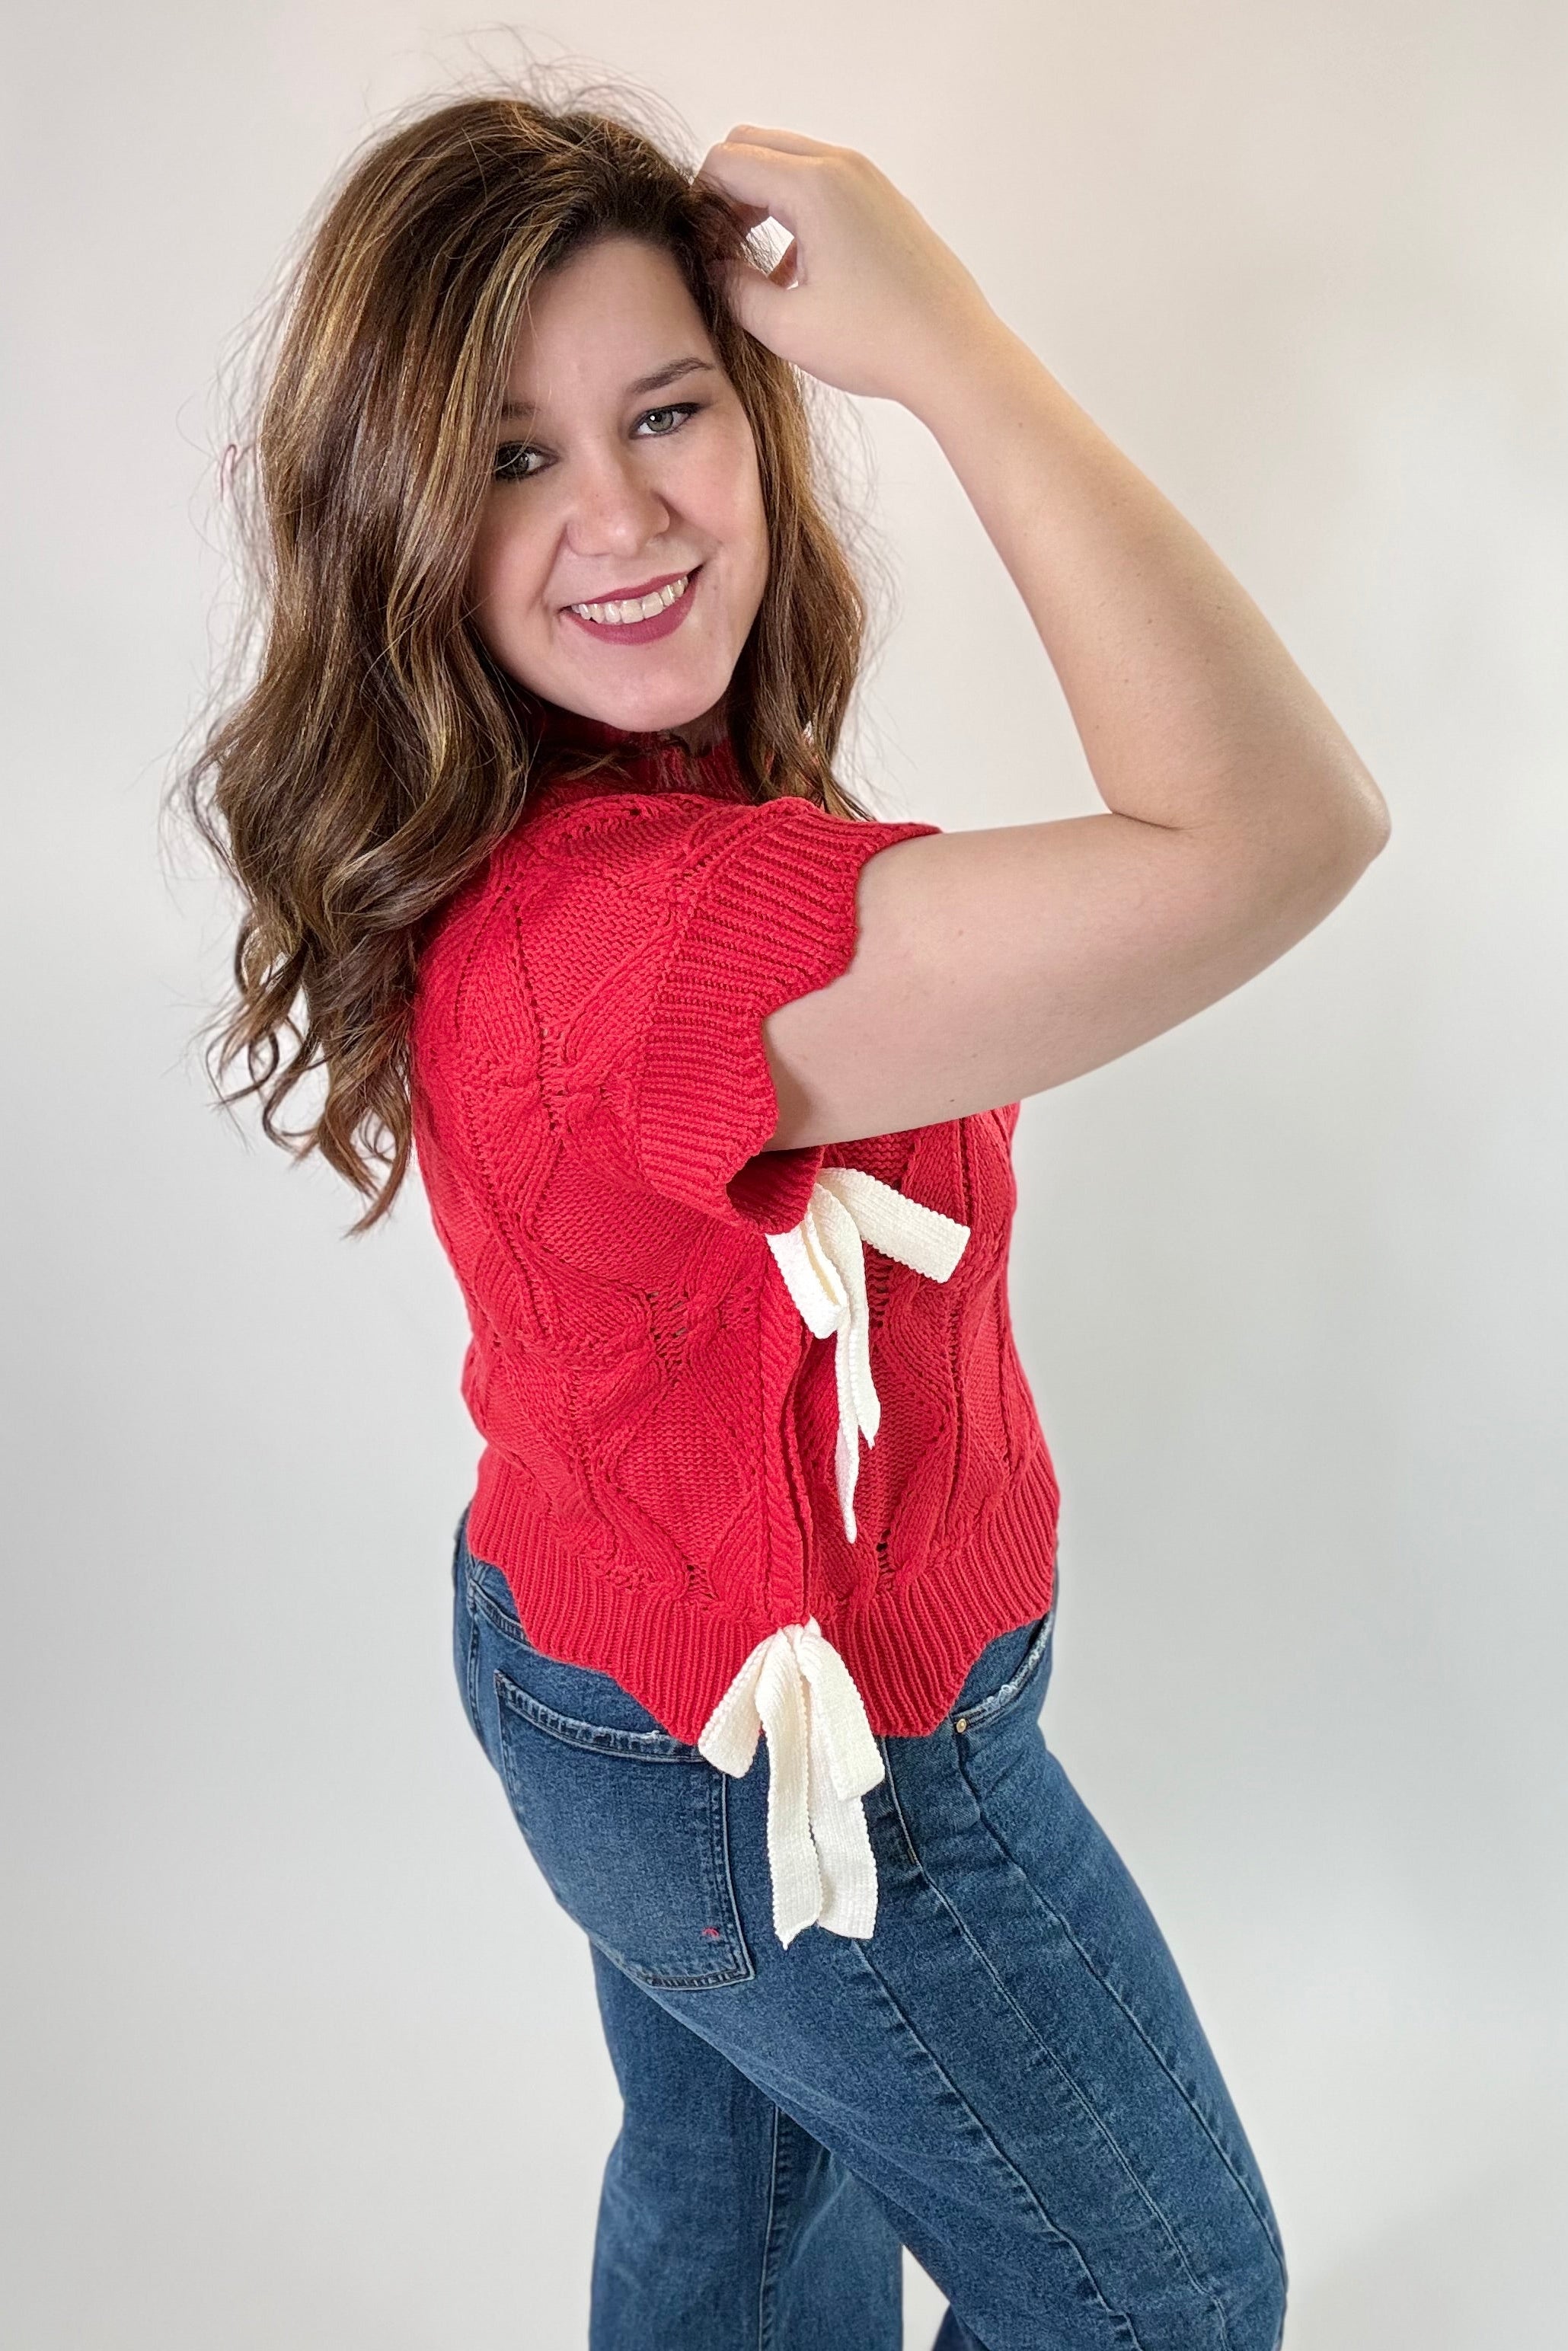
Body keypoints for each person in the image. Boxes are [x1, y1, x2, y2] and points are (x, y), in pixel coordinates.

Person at [182, 86, 1388, 2351]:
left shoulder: (600, 795)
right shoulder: (638, 940)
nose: (624, 514)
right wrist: (952, 351)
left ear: (750, 417)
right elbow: (1276, 830)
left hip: (608, 1668)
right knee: (1165, 2292)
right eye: (511, 458)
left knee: (745, 2220)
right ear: (394, 521)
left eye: (667, 412)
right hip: (812, 1765)